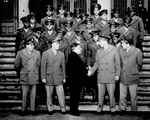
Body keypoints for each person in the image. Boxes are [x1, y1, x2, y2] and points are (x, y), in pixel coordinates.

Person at [87, 33, 121, 114]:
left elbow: (117, 63)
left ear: (105, 41)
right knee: (100, 95)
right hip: (101, 75)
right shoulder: (99, 51)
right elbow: (97, 64)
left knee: (111, 94)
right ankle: (99, 109)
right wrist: (91, 71)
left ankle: (113, 109)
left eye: (99, 42)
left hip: (110, 75)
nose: (98, 43)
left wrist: (117, 74)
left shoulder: (114, 49)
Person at [15, 35, 41, 116]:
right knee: (25, 94)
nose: (32, 46)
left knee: (33, 94)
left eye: (33, 44)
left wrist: (36, 72)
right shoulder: (20, 53)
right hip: (25, 75)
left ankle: (33, 110)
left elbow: (39, 65)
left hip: (34, 75)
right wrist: (22, 71)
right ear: (26, 45)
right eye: (30, 45)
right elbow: (17, 64)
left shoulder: (37, 53)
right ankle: (24, 109)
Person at [41, 36, 66, 115]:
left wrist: (64, 77)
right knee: (49, 94)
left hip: (58, 76)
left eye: (59, 43)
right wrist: (43, 77)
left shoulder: (61, 54)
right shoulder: (45, 53)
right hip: (49, 76)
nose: (58, 45)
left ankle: (63, 108)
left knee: (61, 94)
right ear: (52, 44)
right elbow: (43, 67)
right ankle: (50, 108)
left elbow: (63, 67)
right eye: (56, 43)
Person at [118, 36, 143, 111]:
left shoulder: (137, 51)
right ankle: (122, 108)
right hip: (123, 76)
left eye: (122, 44)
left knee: (133, 95)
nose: (121, 45)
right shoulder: (120, 51)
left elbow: (140, 64)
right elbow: (119, 63)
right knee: (122, 95)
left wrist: (134, 70)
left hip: (133, 76)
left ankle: (134, 109)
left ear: (127, 43)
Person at [67, 43, 87, 116]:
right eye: (79, 48)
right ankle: (74, 111)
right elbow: (76, 70)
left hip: (75, 80)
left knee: (74, 96)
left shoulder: (73, 56)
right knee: (75, 96)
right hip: (75, 81)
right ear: (74, 48)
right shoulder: (73, 56)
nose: (81, 49)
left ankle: (74, 110)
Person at [87, 29, 101, 102]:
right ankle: (95, 97)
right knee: (94, 82)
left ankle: (101, 97)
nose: (95, 37)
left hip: (102, 65)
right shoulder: (90, 44)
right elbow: (88, 55)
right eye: (93, 36)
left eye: (96, 36)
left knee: (101, 82)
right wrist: (89, 65)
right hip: (93, 65)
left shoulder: (102, 43)